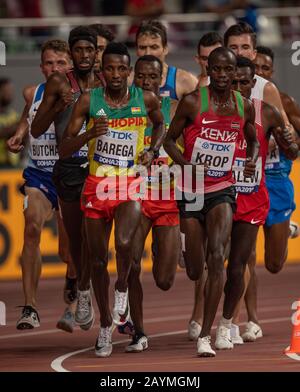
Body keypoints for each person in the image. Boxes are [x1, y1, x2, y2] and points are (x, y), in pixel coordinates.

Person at [59, 42, 164, 357]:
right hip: (96, 186)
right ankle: (105, 326)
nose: (116, 74)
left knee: (124, 244)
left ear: (129, 71)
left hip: (129, 184)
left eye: (122, 69)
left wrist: (152, 149)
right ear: (101, 72)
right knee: (96, 260)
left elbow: (160, 124)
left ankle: (121, 288)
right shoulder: (88, 102)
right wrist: (89, 136)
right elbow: (64, 148)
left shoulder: (144, 98)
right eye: (110, 69)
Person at [164, 47, 258, 357]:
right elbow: (168, 140)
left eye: (226, 70)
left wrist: (251, 159)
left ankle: (207, 334)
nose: (220, 75)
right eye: (215, 69)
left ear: (234, 74)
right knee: (195, 269)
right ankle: (189, 253)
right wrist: (184, 164)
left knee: (218, 256)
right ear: (209, 70)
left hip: (222, 189)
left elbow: (253, 139)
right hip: (191, 189)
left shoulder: (244, 107)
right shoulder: (193, 102)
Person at [214, 56, 298, 350]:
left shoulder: (270, 109)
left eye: (245, 82)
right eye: (233, 81)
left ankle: (227, 324)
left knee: (268, 263)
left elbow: (293, 148)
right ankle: (230, 323)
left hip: (260, 189)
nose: (238, 87)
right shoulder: (214, 108)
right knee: (227, 258)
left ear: (256, 83)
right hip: (222, 193)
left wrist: (287, 139)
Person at [31, 26, 103, 330]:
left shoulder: (106, 80)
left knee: (95, 238)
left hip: (102, 167)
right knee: (76, 239)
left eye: (90, 50)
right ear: (71, 54)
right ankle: (81, 287)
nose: (85, 55)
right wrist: (60, 104)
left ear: (96, 52)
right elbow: (37, 129)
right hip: (69, 167)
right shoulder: (61, 82)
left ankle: (86, 292)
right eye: (79, 50)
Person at [6, 40, 77, 330]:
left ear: (70, 66)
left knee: (67, 252)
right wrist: (20, 135)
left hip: (70, 174)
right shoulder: (32, 92)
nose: (54, 68)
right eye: (49, 63)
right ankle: (30, 307)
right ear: (40, 67)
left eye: (60, 63)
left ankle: (72, 285)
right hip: (39, 174)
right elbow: (27, 113)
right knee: (32, 226)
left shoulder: (79, 96)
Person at [124, 54, 180, 352]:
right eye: (141, 76)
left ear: (162, 80)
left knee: (165, 280)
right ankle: (139, 332)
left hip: (167, 199)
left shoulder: (174, 109)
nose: (146, 82)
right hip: (134, 196)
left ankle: (163, 248)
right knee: (132, 264)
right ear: (134, 77)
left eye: (152, 77)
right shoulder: (125, 109)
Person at [135, 19, 198, 99]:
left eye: (154, 47)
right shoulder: (128, 81)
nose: (148, 53)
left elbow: (204, 109)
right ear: (136, 50)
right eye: (142, 47)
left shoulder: (185, 80)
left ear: (165, 49)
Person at [0, 78, 19, 168]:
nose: (10, 94)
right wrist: (16, 127)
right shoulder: (17, 122)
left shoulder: (14, 115)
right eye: (6, 90)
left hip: (13, 165)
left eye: (11, 90)